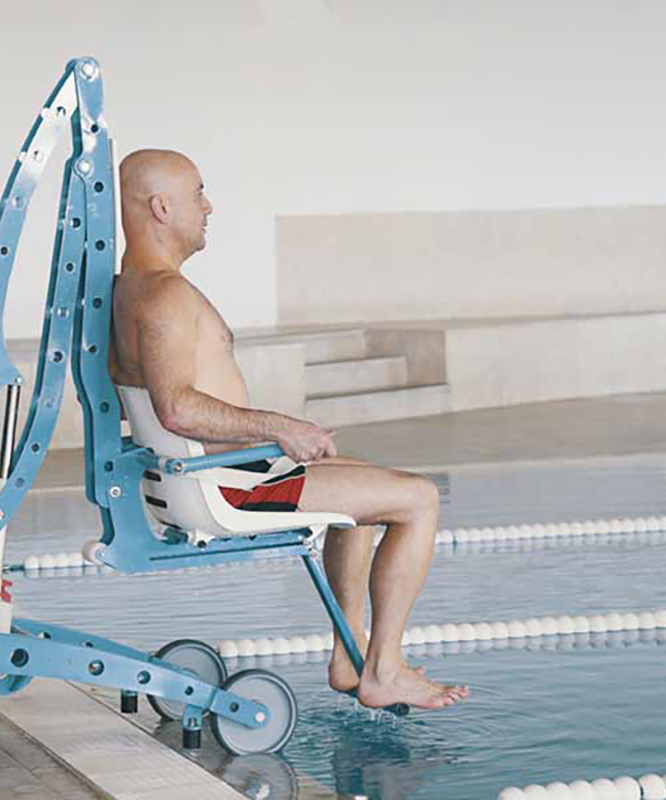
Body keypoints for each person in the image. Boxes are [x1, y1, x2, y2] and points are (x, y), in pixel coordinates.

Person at [110, 149, 469, 711]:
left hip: (216, 473)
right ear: (161, 207)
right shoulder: (163, 294)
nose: (209, 206)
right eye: (198, 193)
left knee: (365, 481)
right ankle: (384, 670)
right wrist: (281, 427)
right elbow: (176, 408)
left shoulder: (132, 287)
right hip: (228, 485)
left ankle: (351, 655)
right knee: (419, 499)